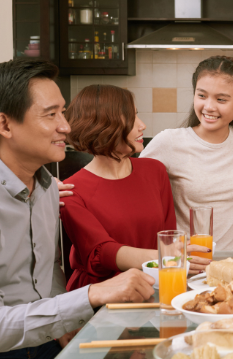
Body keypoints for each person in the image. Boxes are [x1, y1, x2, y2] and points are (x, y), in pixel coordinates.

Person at [0, 58, 155, 359]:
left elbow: (47, 273)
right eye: (51, 115)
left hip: (42, 340)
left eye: (63, 112)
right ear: (5, 125)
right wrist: (90, 295)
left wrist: (66, 322)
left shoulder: (47, 186)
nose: (66, 126)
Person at [60, 85, 207, 291]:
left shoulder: (154, 170)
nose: (142, 125)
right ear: (103, 126)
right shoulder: (70, 191)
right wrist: (167, 256)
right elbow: (101, 253)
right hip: (101, 296)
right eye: (131, 119)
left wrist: (175, 255)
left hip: (155, 284)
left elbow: (167, 237)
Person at [139, 56, 233, 250]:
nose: (208, 107)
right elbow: (133, 191)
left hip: (232, 263)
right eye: (201, 96)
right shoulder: (168, 142)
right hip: (186, 263)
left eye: (221, 99)